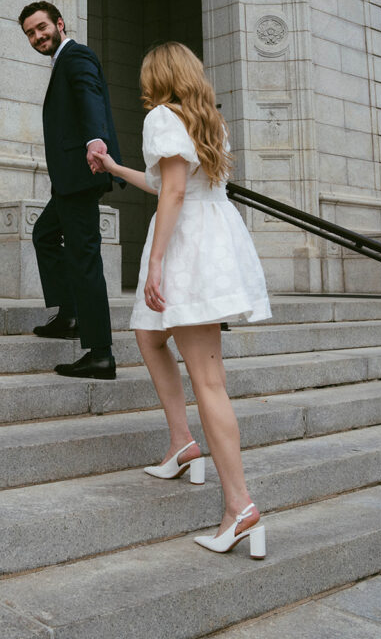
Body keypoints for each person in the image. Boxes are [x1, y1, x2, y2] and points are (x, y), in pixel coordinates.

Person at [91, 42, 271, 558]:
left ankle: (239, 506)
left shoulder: (162, 118)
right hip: (211, 236)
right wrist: (113, 167)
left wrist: (154, 262)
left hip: (188, 246)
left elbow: (173, 193)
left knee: (209, 381)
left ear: (159, 76)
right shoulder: (207, 120)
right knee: (148, 333)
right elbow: (164, 184)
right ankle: (182, 443)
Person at [18, 0, 123, 380]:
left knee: (84, 259)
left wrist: (96, 141)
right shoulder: (61, 61)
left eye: (42, 27)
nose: (37, 36)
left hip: (81, 175)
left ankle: (100, 353)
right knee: (45, 234)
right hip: (70, 180)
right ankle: (70, 314)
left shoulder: (76, 56)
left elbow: (89, 95)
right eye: (30, 33)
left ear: (59, 24)